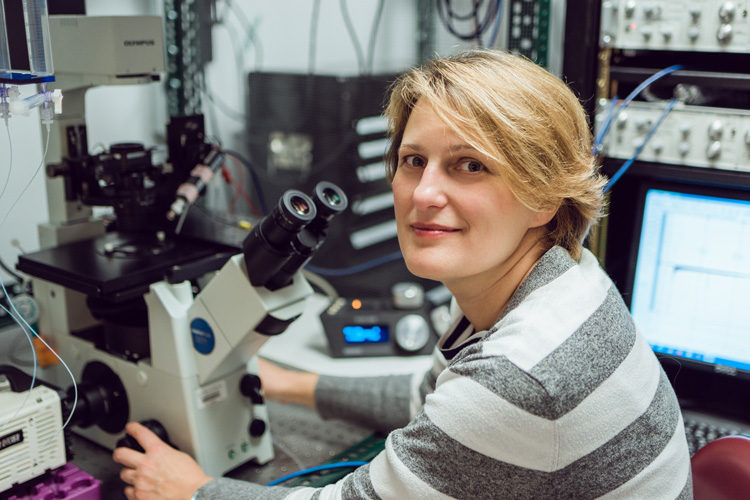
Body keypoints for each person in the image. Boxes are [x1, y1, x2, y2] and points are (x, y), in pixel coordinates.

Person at [113, 49, 693, 499]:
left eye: (470, 165)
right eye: (414, 160)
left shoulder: (521, 377)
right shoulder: (560, 279)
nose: (425, 193)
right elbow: (428, 396)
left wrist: (192, 489)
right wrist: (288, 383)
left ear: (545, 197)